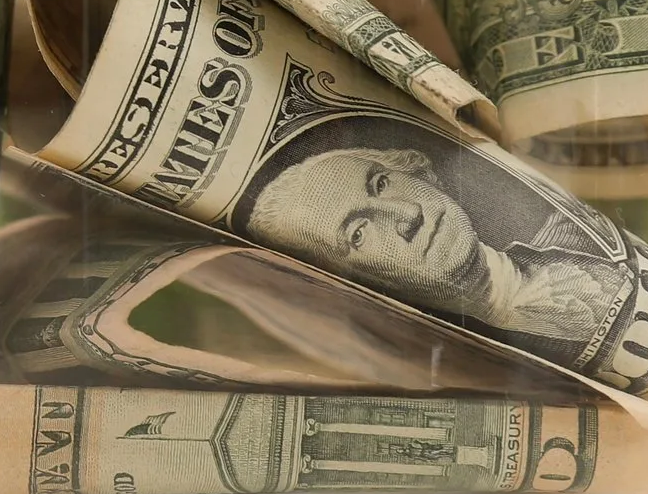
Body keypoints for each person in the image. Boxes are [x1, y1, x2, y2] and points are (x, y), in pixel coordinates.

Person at [244, 128, 627, 373]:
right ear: (355, 282)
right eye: (358, 232)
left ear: (417, 172)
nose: (407, 215)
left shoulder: (571, 237)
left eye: (380, 184)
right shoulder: (464, 378)